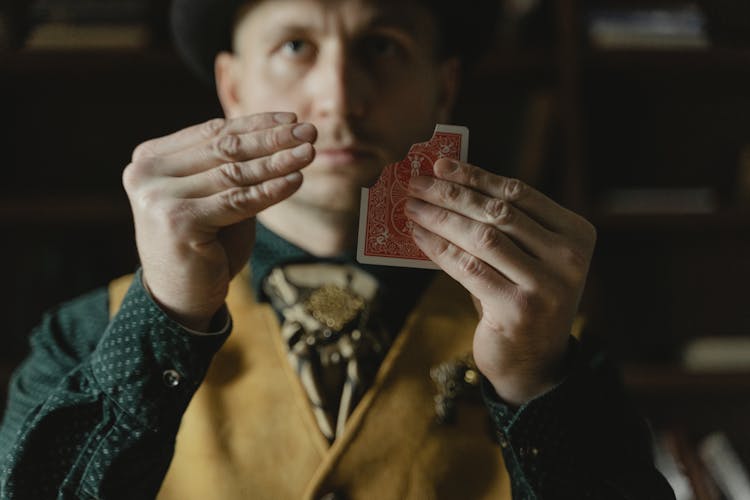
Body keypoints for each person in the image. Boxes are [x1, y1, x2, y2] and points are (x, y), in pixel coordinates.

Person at [0, 0, 675, 498]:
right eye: (295, 46)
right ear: (233, 88)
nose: (341, 100)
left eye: (381, 47)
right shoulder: (82, 334)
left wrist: (535, 381)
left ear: (443, 86)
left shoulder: (553, 335)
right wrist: (165, 318)